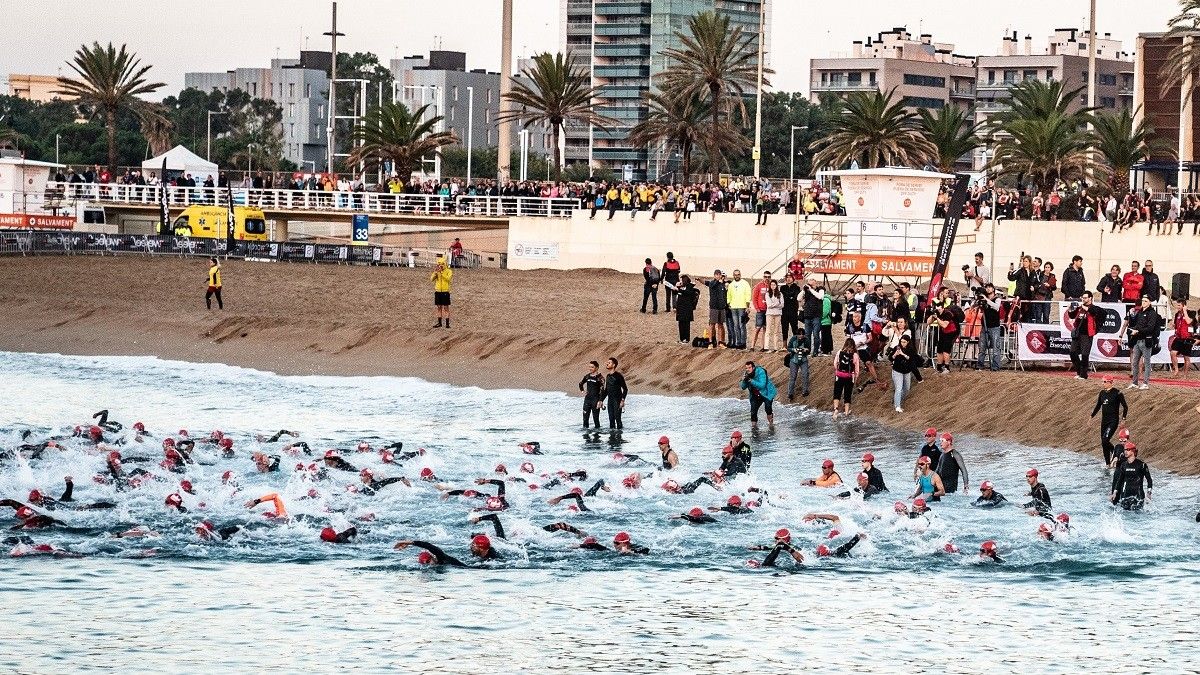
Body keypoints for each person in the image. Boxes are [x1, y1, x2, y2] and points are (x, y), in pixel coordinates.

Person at [1123, 295, 1160, 389]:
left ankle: (1145, 383)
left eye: (1146, 301)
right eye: (1142, 301)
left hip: (1146, 340)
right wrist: (1132, 330)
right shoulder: (1140, 312)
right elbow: (1138, 325)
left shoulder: (1152, 313)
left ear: (1150, 302)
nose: (1143, 303)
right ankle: (1135, 382)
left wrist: (1138, 331)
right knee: (1135, 362)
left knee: (1147, 362)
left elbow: (1150, 328)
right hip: (1137, 340)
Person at [1091, 375, 1128, 465]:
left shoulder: (1117, 393)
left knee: (1105, 439)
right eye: (1102, 382)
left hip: (1113, 420)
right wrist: (1091, 416)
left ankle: (1115, 451)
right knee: (1104, 443)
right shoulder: (1102, 393)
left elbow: (1125, 406)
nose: (1102, 384)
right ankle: (1107, 463)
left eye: (1104, 382)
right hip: (1104, 421)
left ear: (1109, 382)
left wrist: (1123, 419)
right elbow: (1098, 406)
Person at [1067, 292, 1105, 379]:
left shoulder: (1094, 308)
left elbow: (1097, 313)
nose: (1083, 299)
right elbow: (1072, 315)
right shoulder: (1080, 308)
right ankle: (1079, 371)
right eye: (1082, 298)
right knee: (1072, 353)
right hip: (1077, 334)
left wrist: (1086, 308)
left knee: (1085, 354)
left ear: (1090, 298)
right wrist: (1070, 309)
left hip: (1087, 334)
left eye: (1085, 298)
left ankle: (1084, 375)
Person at [1110, 443, 1152, 510]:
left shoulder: (1142, 465)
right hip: (1126, 494)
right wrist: (1114, 493)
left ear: (1133, 451)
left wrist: (1149, 493)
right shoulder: (1123, 465)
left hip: (1138, 495)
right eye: (1125, 450)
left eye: (1128, 450)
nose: (1125, 452)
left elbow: (1149, 479)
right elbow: (1119, 480)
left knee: (1138, 516)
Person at [739, 360, 777, 426]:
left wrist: (751, 380)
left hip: (766, 393)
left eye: (749, 367)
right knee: (753, 412)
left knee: (768, 408)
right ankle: (754, 428)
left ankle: (771, 424)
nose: (748, 369)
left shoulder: (761, 372)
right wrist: (744, 380)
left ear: (753, 367)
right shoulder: (746, 374)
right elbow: (743, 387)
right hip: (755, 395)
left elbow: (762, 385)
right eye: (746, 368)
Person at [975, 284, 1003, 371]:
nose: (988, 289)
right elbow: (977, 307)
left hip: (994, 326)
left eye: (989, 287)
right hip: (985, 326)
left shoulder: (997, 299)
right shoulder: (984, 299)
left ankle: (995, 366)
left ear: (993, 289)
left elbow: (996, 307)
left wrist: (986, 299)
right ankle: (980, 365)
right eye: (986, 287)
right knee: (982, 347)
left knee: (995, 348)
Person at [888, 332, 917, 413]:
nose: (902, 343)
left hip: (907, 371)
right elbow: (890, 358)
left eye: (904, 342)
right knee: (899, 388)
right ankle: (897, 406)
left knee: (907, 389)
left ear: (908, 342)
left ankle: (897, 400)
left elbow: (911, 359)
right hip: (897, 370)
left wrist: (903, 354)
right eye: (901, 341)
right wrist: (895, 355)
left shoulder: (911, 349)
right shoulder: (896, 348)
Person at [832, 338, 860, 420]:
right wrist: (856, 377)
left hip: (839, 375)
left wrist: (837, 371)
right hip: (849, 376)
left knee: (837, 392)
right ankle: (846, 412)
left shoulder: (840, 352)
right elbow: (857, 369)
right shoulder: (855, 355)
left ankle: (836, 410)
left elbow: (835, 363)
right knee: (847, 394)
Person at [1170, 298, 1195, 379]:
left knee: (1186, 357)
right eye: (1177, 305)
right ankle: (1176, 370)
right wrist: (1174, 326)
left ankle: (1185, 375)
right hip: (1179, 337)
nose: (1178, 307)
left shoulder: (1191, 313)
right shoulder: (1177, 314)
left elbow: (1188, 321)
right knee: (1173, 353)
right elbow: (1176, 324)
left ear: (1184, 305)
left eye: (1179, 305)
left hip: (1188, 338)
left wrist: (1185, 311)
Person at [726, 269, 752, 349]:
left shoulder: (745, 283)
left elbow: (748, 294)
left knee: (742, 325)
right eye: (735, 274)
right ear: (733, 275)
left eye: (738, 274)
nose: (736, 276)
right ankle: (738, 342)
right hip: (733, 308)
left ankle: (743, 343)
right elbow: (728, 295)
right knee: (736, 326)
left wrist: (747, 306)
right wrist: (729, 303)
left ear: (740, 275)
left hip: (742, 307)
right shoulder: (731, 284)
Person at [704, 270, 729, 349]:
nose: (718, 276)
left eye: (719, 275)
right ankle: (710, 342)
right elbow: (710, 284)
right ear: (714, 275)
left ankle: (721, 342)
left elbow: (724, 295)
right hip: (714, 307)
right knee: (712, 325)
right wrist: (718, 281)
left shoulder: (722, 284)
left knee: (721, 325)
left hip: (721, 307)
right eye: (717, 275)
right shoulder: (712, 283)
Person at [601, 357, 628, 430]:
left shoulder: (618, 376)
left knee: (618, 419)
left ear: (613, 365)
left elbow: (625, 389)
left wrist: (622, 400)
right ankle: (612, 440)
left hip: (617, 400)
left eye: (609, 363)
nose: (607, 363)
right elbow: (606, 390)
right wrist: (601, 400)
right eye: (607, 362)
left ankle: (620, 438)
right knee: (611, 420)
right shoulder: (608, 376)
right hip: (610, 401)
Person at [673, 275, 701, 345]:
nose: (681, 282)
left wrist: (680, 289)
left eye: (682, 280)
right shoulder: (680, 288)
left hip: (687, 309)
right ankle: (682, 339)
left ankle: (687, 339)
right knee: (680, 324)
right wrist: (675, 289)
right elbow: (676, 293)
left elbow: (688, 293)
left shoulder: (690, 287)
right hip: (680, 309)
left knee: (686, 324)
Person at [785, 327, 810, 401]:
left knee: (805, 375)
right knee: (793, 376)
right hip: (794, 360)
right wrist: (794, 350)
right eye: (799, 334)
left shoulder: (807, 340)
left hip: (803, 359)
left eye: (802, 334)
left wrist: (806, 350)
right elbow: (788, 348)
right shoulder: (793, 339)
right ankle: (790, 393)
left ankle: (805, 391)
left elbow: (809, 350)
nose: (801, 336)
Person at [749, 272, 772, 350]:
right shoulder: (758, 286)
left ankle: (763, 346)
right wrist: (757, 308)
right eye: (765, 277)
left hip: (768, 311)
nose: (767, 278)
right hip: (760, 310)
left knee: (765, 329)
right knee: (758, 328)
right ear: (763, 277)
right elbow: (754, 298)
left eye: (769, 277)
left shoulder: (771, 286)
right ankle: (752, 346)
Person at [801, 278, 824, 356]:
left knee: (816, 334)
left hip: (816, 316)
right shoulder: (806, 291)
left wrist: (811, 289)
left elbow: (820, 297)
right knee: (807, 335)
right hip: (807, 315)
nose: (810, 285)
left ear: (815, 283)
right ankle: (808, 351)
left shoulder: (820, 289)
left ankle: (815, 351)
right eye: (809, 284)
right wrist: (803, 290)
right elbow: (798, 298)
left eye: (812, 284)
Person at [579, 361, 604, 429]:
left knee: (596, 419)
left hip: (595, 400)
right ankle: (586, 437)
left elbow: (602, 390)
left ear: (597, 368)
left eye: (592, 367)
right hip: (587, 400)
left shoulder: (600, 378)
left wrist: (600, 401)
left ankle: (597, 437)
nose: (590, 368)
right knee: (585, 419)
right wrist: (582, 391)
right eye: (589, 367)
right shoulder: (587, 376)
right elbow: (580, 384)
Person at [431, 255, 453, 329]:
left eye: (441, 264)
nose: (440, 266)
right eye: (439, 264)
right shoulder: (437, 271)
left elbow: (448, 279)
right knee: (439, 307)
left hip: (445, 291)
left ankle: (447, 324)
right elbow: (431, 279)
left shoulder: (449, 271)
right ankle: (439, 323)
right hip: (438, 291)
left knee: (446, 308)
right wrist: (435, 273)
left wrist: (441, 273)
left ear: (444, 264)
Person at [781, 273, 802, 344]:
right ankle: (784, 345)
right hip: (784, 311)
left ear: (793, 278)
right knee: (784, 328)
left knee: (794, 328)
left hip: (793, 310)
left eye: (790, 277)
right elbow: (783, 297)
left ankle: (795, 343)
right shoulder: (782, 288)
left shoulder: (797, 287)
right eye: (787, 277)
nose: (788, 279)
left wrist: (789, 297)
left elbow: (796, 297)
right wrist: (790, 297)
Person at [764, 280, 783, 352]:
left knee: (776, 331)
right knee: (768, 330)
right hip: (769, 314)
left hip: (778, 314)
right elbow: (769, 305)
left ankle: (775, 347)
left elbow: (782, 305)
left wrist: (774, 304)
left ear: (776, 285)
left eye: (774, 285)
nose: (773, 286)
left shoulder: (780, 294)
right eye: (771, 285)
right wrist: (777, 303)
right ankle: (766, 347)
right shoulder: (767, 294)